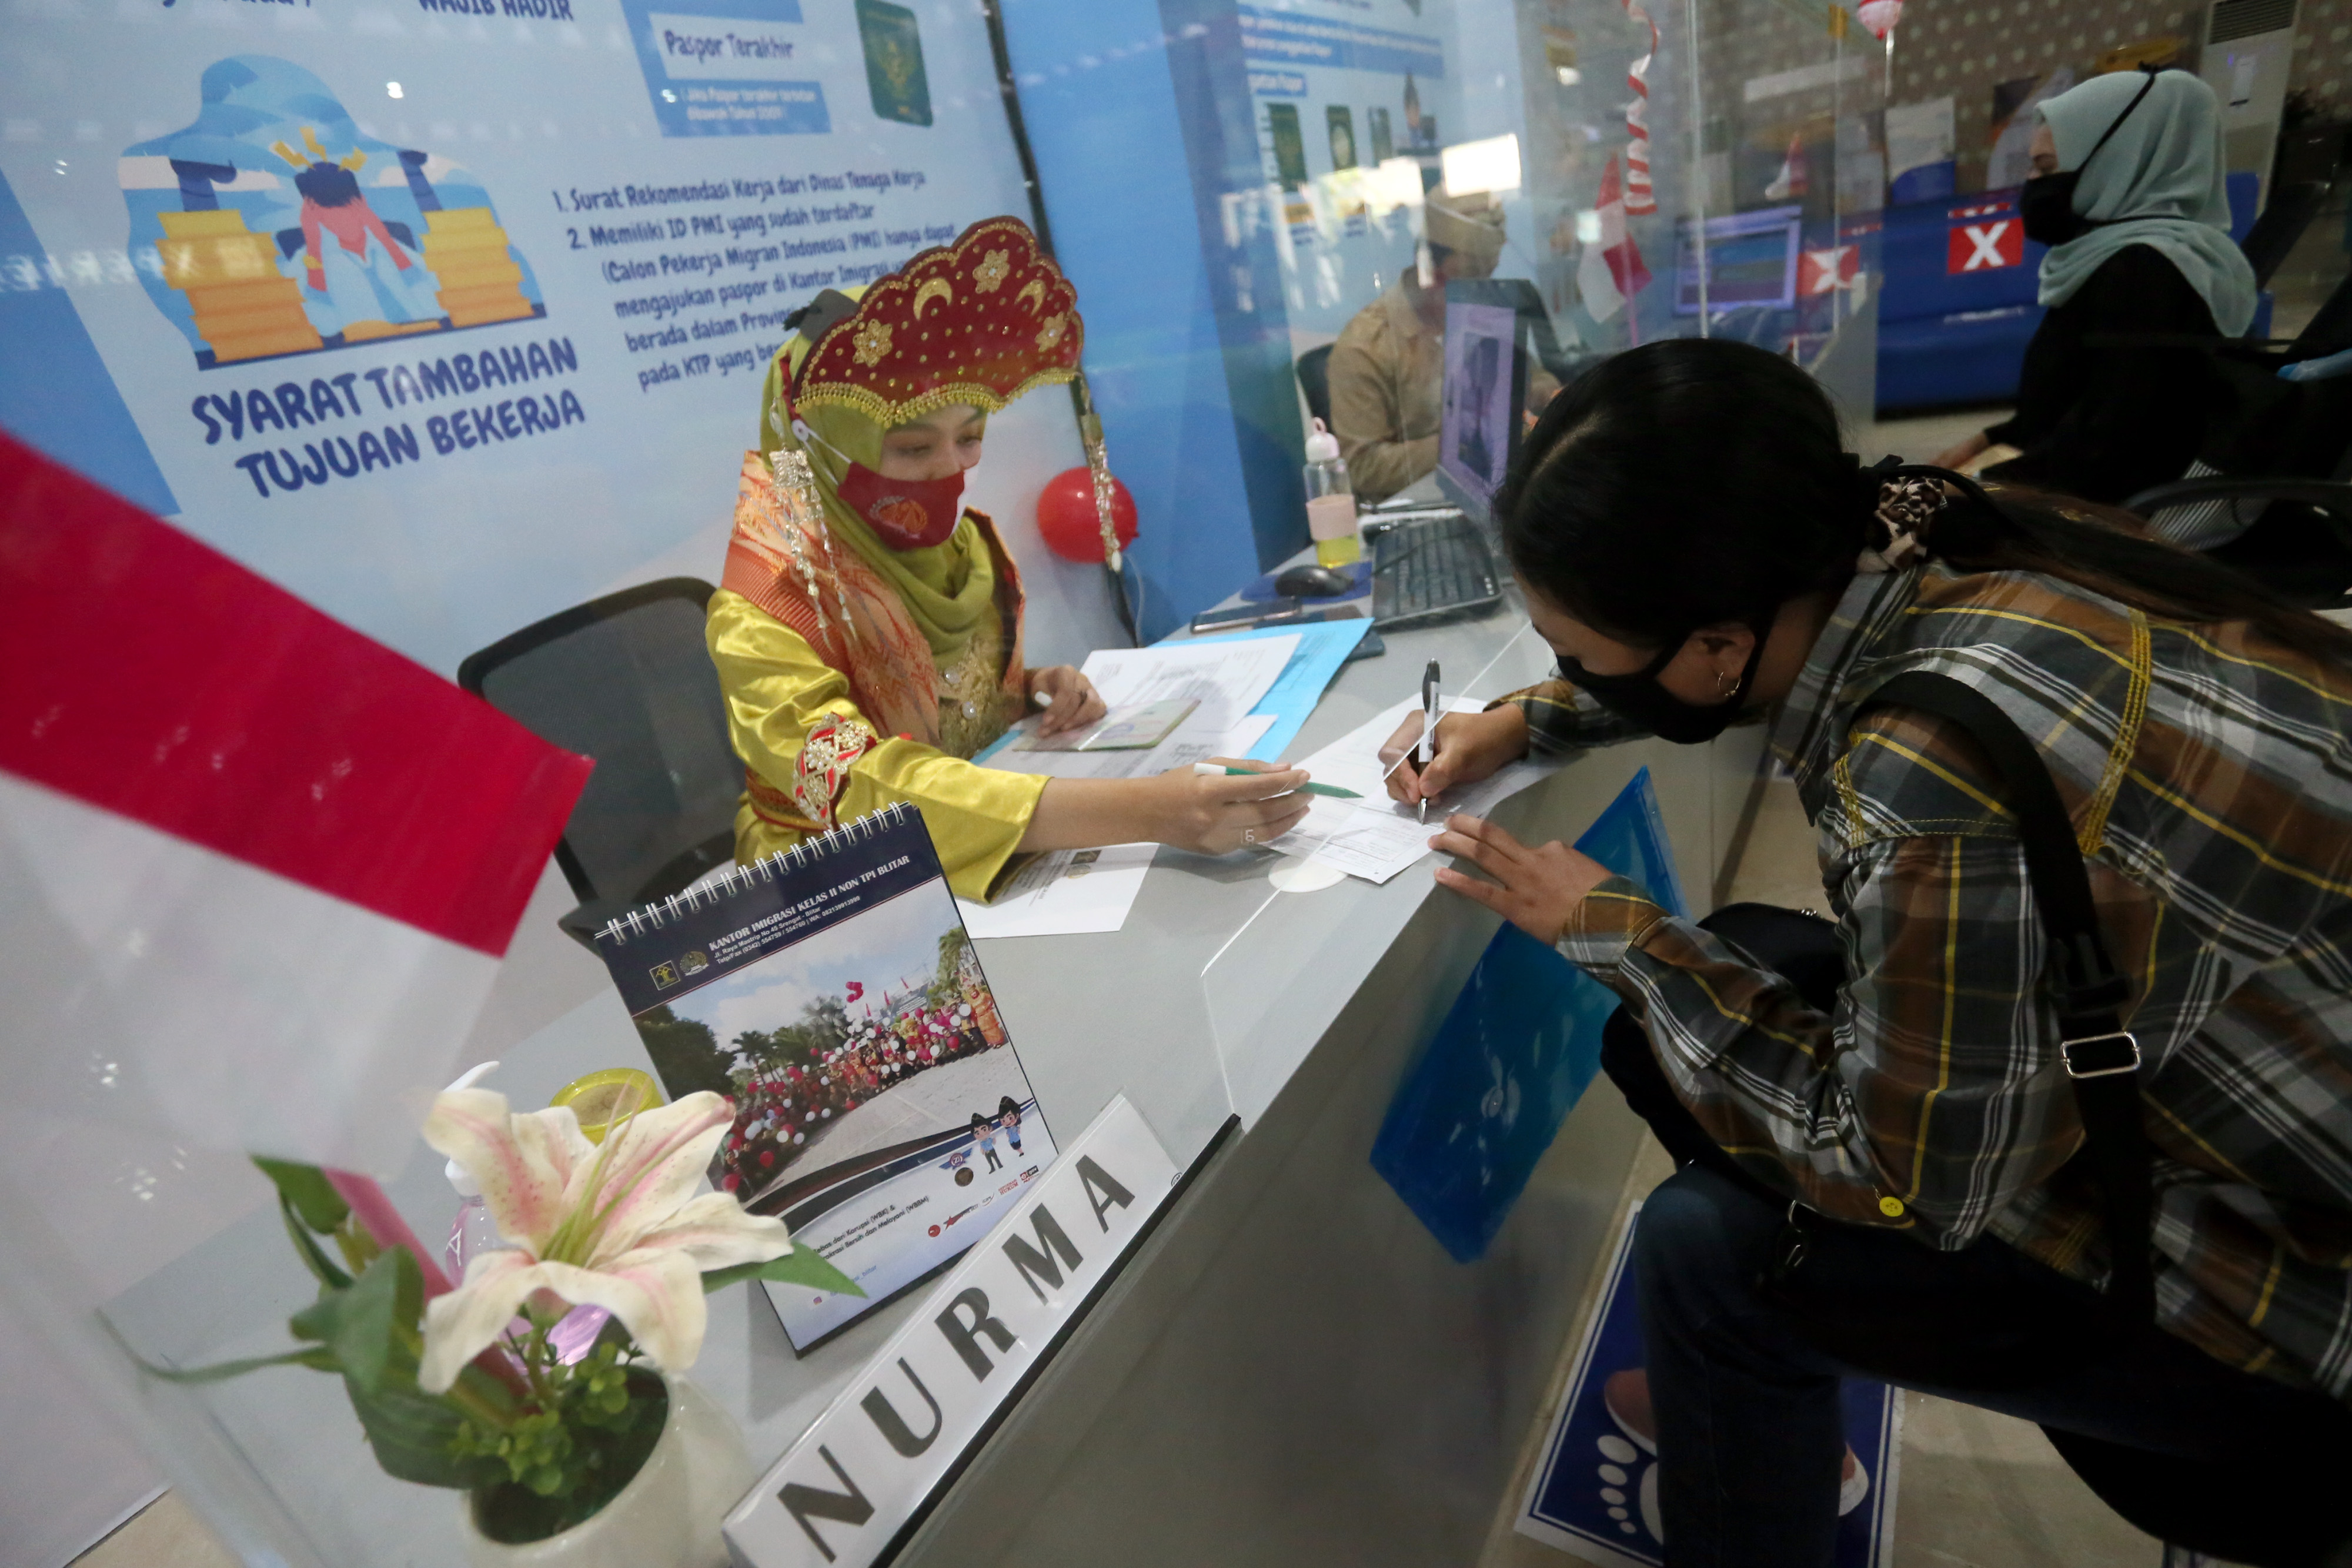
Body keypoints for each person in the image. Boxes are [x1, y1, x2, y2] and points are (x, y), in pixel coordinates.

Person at [1385, 337, 2352, 1566]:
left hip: (2292, 1282)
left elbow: (1905, 1184)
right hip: (2251, 1086)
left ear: (1719, 643)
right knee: (1730, 964)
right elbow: (1677, 659)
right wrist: (1531, 714)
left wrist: (1618, 933)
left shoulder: (1926, 788)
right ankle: (1769, 1417)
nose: (1569, 672)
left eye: (1576, 650)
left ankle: (1751, 1426)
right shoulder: (1949, 535)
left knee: (1704, 1250)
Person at [707, 218, 1312, 900]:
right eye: (911, 449)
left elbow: (941, 706)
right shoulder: (767, 609)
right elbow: (857, 789)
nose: (950, 471)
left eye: (968, 437)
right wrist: (1150, 811)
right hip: (845, 886)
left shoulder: (958, 544)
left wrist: (1030, 687)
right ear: (818, 445)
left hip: (983, 842)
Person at [1933, 70, 2257, 506]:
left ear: (2117, 162)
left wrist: (1971, 487)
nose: (2032, 183)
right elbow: (2074, 403)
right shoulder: (2122, 254)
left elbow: (2106, 450)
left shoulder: (2146, 271)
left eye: (2046, 168)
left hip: (2110, 516)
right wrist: (1986, 439)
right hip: (2072, 486)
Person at [1327, 191, 1506, 503]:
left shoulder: (1472, 315)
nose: (1479, 294)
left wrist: (1547, 394)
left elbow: (1527, 376)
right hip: (1414, 508)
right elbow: (1362, 468)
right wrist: (1462, 442)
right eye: (1469, 283)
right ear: (1433, 276)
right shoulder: (1366, 347)